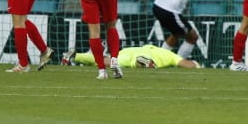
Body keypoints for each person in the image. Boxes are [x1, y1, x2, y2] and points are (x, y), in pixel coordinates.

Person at [64, 43, 200, 70]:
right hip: (143, 56)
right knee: (136, 62)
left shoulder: (149, 47)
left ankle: (75, 55)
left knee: (105, 60)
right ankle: (142, 62)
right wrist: (196, 65)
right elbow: (183, 63)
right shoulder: (170, 55)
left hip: (128, 51)